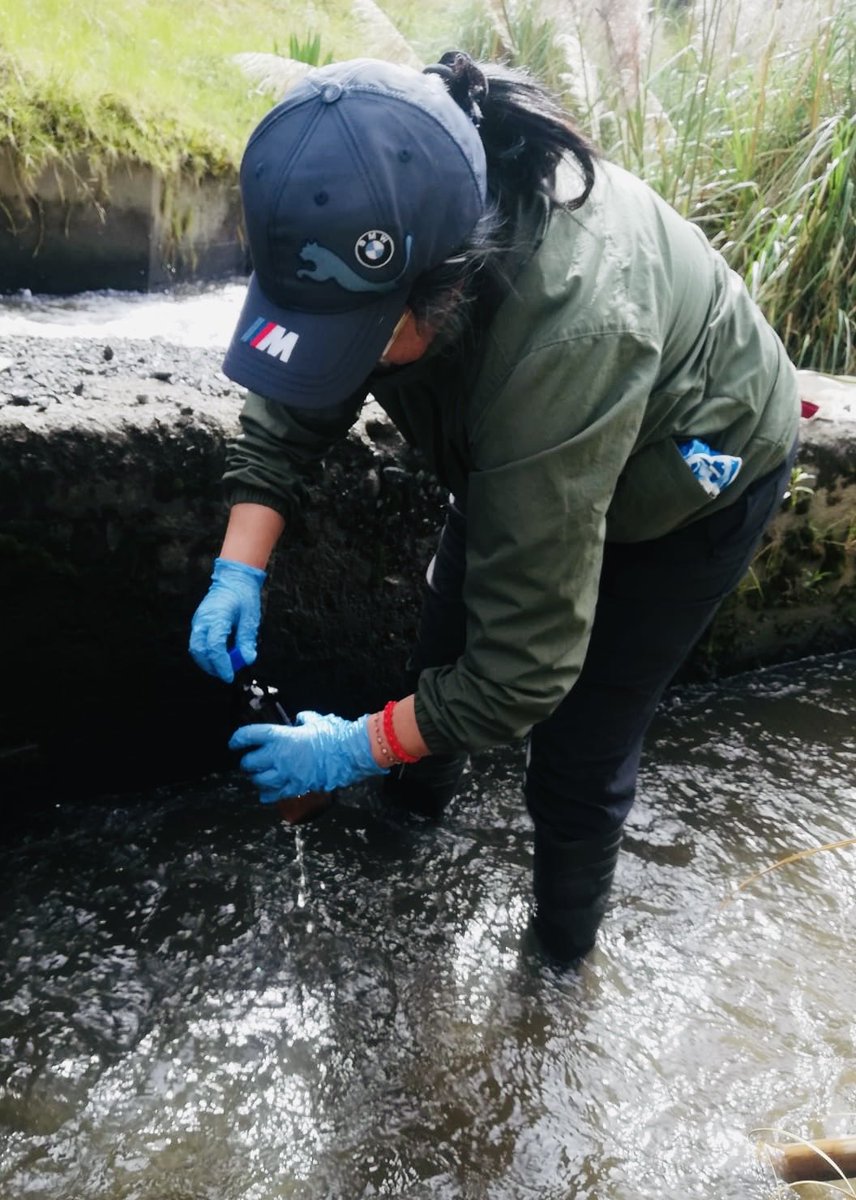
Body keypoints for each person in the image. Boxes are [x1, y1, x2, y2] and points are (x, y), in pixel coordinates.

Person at [189, 52, 800, 965]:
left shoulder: (568, 330)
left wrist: (352, 747)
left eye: (361, 341)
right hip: (523, 454)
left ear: (452, 282)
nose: (340, 359)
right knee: (440, 656)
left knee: (578, 756)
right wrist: (239, 564)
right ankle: (405, 841)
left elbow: (523, 673)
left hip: (693, 477)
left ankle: (557, 976)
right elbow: (298, 383)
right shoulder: (363, 207)